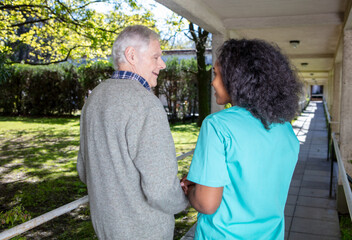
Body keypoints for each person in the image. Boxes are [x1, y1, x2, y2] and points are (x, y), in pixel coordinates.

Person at [181, 39, 302, 239]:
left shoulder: (217, 125)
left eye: (217, 75)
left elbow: (207, 204)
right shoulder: (285, 129)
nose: (213, 82)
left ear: (236, 79)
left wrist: (191, 189)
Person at [77, 25, 189, 240]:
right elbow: (160, 191)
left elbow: (84, 171)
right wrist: (186, 197)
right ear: (131, 55)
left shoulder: (94, 98)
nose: (162, 64)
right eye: (156, 57)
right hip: (146, 232)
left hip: (105, 229)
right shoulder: (146, 104)